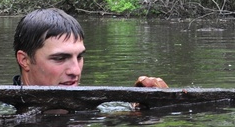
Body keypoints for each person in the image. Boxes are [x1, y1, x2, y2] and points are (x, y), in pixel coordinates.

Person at [12, 7, 168, 88]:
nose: (76, 71)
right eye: (59, 58)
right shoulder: (1, 115)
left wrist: (149, 105)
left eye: (79, 57)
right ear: (24, 60)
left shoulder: (97, 109)